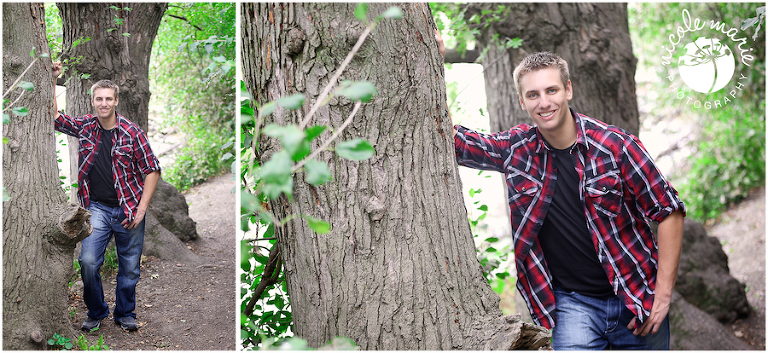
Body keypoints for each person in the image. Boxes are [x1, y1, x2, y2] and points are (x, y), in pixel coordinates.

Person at [436, 32, 685, 349]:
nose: (544, 102)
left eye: (551, 90)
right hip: (572, 306)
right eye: (533, 94)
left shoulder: (615, 146)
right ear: (522, 102)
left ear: (568, 90)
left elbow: (669, 211)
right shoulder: (517, 149)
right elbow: (455, 142)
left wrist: (662, 295)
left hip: (635, 298)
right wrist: (436, 62)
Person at [52, 62, 161, 332]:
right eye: (99, 99)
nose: (103, 103)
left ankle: (125, 314)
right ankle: (97, 311)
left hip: (128, 210)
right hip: (96, 210)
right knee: (88, 262)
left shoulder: (132, 132)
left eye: (108, 99)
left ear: (116, 101)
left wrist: (141, 209)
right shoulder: (86, 126)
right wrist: (53, 79)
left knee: (130, 268)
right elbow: (55, 117)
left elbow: (152, 169)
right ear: (93, 101)